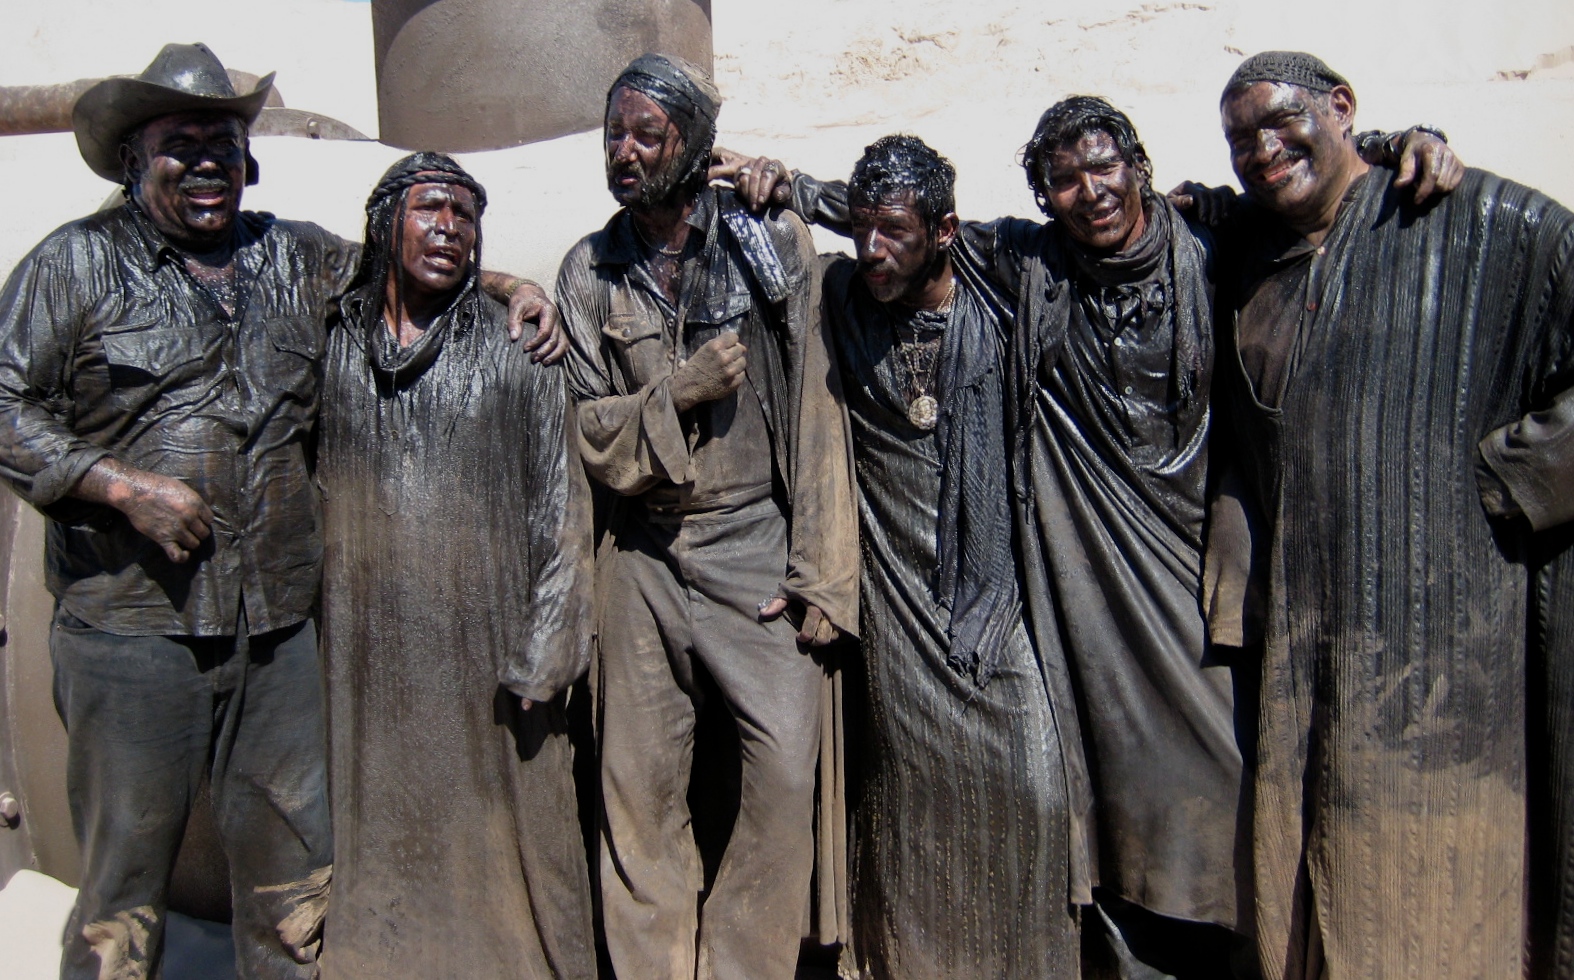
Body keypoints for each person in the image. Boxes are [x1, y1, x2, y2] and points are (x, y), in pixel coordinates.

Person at [718, 98, 1457, 980]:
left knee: (1226, 778)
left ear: (1138, 166)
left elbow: (1303, 192)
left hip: (1190, 571)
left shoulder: (1212, 243)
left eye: (1103, 168)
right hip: (1084, 579)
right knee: (1101, 797)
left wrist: (1391, 144)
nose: (1089, 192)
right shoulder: (1032, 263)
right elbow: (896, 227)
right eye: (1064, 180)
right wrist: (785, 182)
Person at [0, 42, 557, 979]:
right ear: (136, 160)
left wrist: (512, 286)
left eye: (224, 143)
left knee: (293, 882)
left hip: (275, 637)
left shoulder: (292, 256)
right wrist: (119, 486)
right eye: (181, 144)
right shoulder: (74, 265)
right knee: (122, 886)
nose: (208, 162)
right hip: (134, 634)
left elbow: (402, 263)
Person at [1206, 50, 1574, 979]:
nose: (1261, 149)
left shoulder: (1477, 218)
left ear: (1339, 106)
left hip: (1452, 644)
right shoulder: (1243, 244)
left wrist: (1506, 483)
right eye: (1240, 138)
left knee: (1442, 891)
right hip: (1310, 641)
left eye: (1280, 121)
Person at [556, 53, 858, 980]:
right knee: (639, 792)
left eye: (648, 134)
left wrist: (821, 568)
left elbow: (817, 405)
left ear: (696, 145)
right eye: (615, 133)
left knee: (784, 772)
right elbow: (585, 430)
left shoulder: (768, 241)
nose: (625, 152)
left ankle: (739, 965)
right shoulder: (590, 268)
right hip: (642, 553)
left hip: (753, 542)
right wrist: (676, 394)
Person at [315, 153, 596, 978]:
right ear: (385, 223)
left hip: (489, 644)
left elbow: (561, 503)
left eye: (466, 217)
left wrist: (551, 638)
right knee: (380, 815)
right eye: (430, 209)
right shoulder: (332, 341)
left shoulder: (521, 349)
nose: (450, 230)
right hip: (368, 650)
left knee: (514, 827)